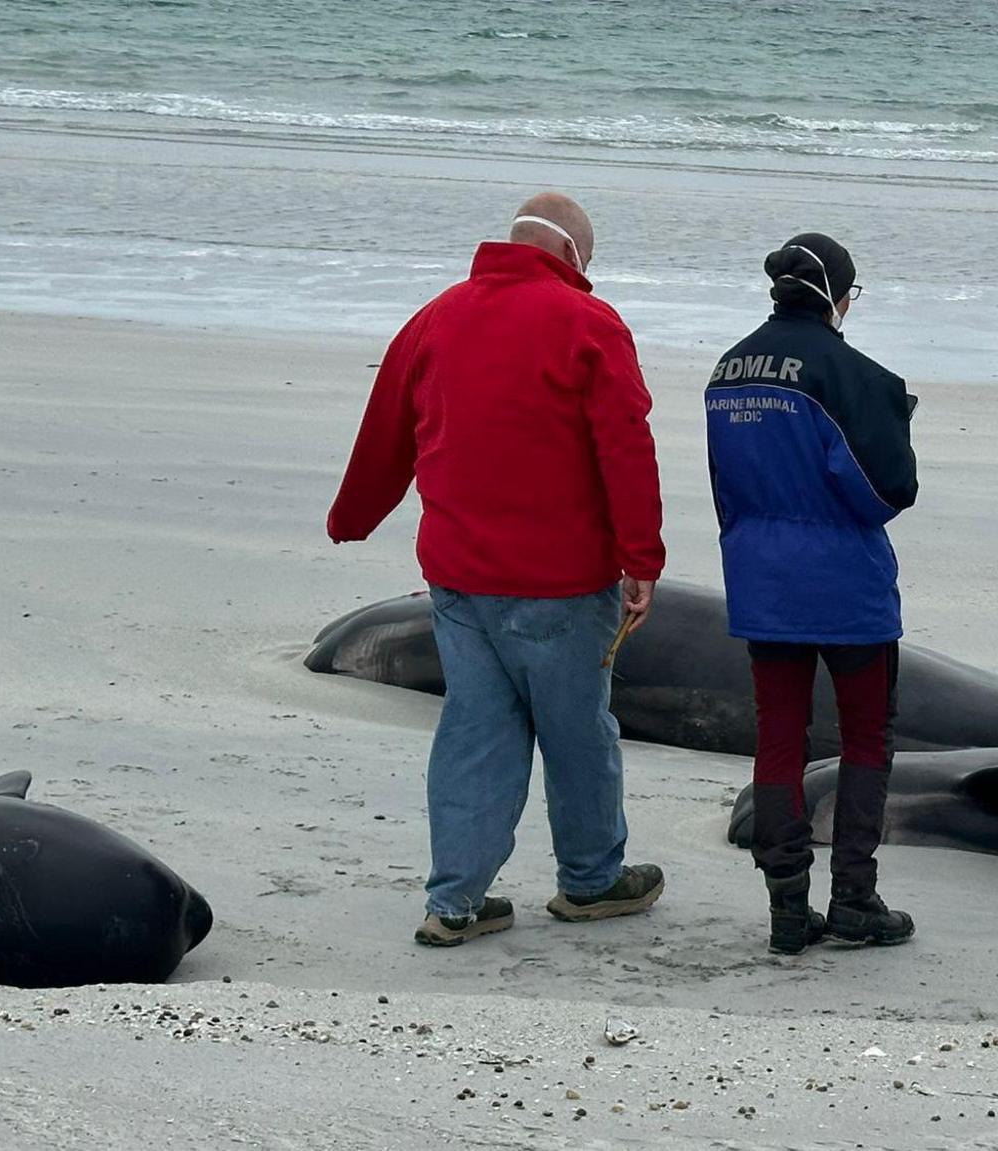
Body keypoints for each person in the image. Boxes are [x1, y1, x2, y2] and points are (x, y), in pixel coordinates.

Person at [327, 192, 668, 948]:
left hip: (459, 582)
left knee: (474, 730)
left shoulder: (437, 317)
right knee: (578, 730)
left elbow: (386, 430)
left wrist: (351, 519)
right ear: (575, 256)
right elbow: (625, 447)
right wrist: (641, 557)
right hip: (564, 582)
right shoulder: (590, 323)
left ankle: (455, 901)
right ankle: (589, 881)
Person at [706, 232, 919, 955]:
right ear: (837, 296)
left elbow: (725, 490)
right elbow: (888, 491)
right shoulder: (851, 373)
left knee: (777, 737)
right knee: (864, 737)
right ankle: (854, 895)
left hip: (762, 579)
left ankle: (786, 908)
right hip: (845, 587)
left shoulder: (726, 371)